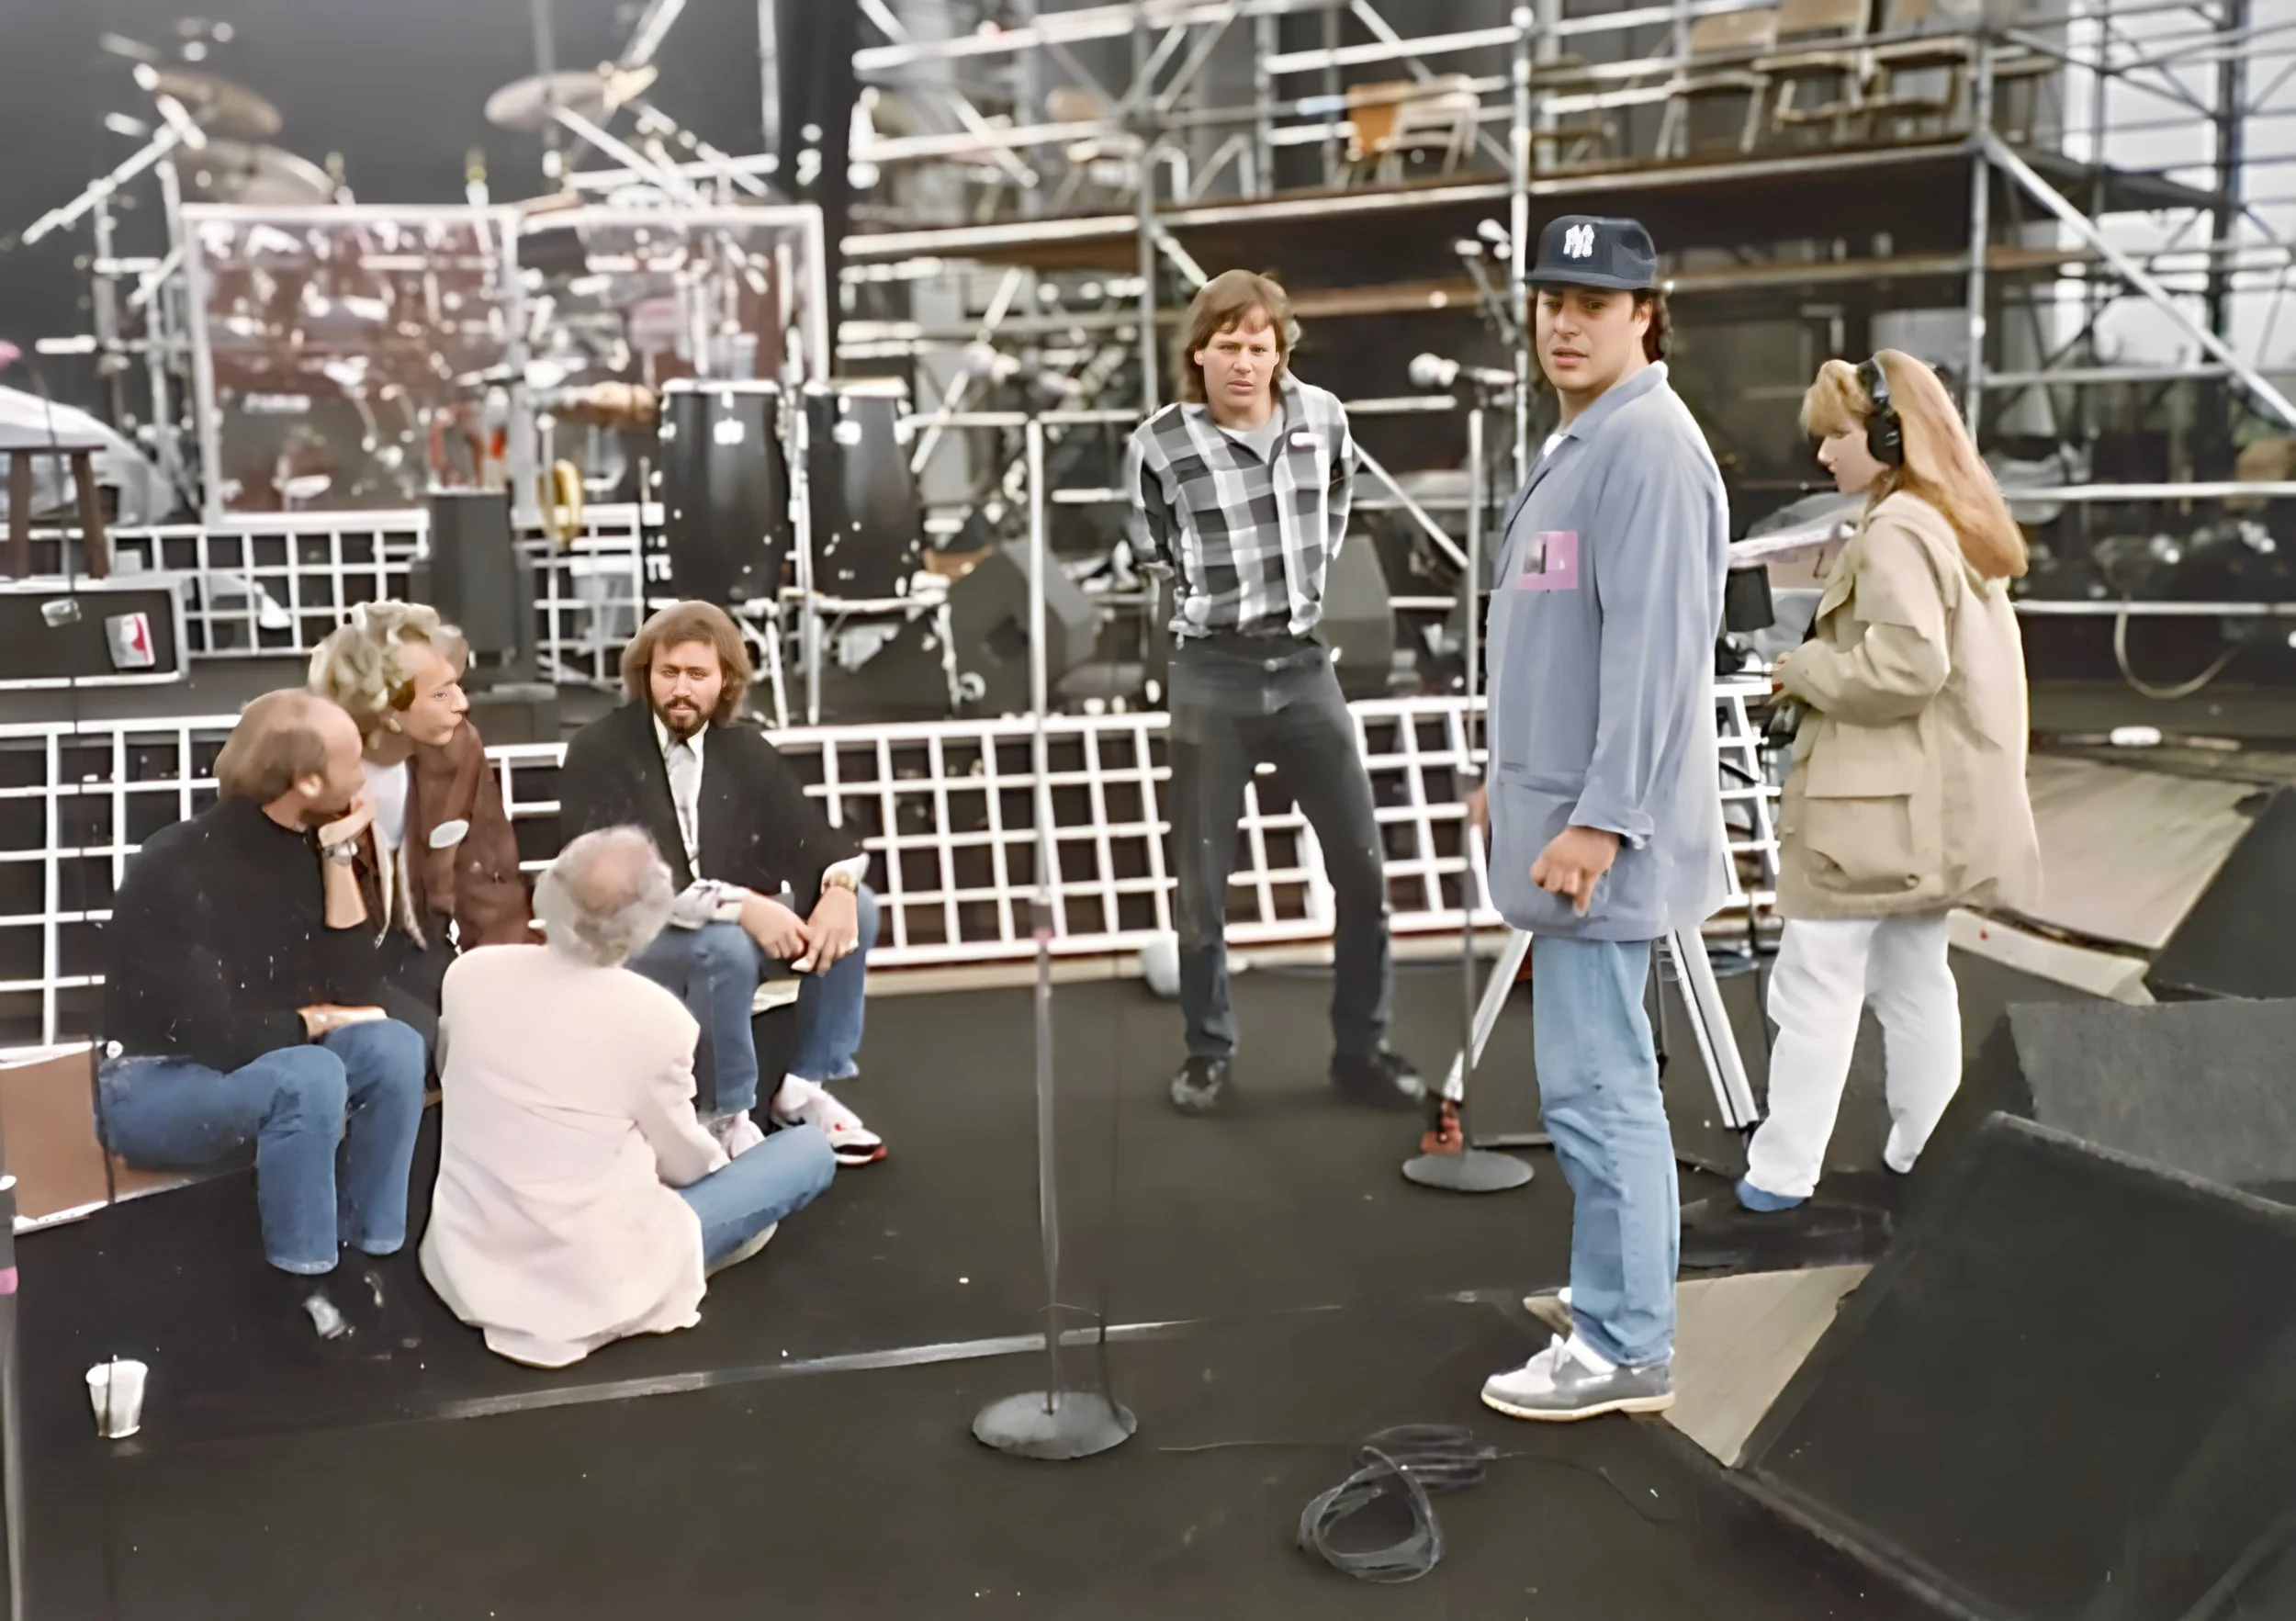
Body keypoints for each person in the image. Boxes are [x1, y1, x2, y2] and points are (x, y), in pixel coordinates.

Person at [1471, 217, 1729, 1423]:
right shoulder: (1597, 438)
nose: (1565, 322)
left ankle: (1627, 1343)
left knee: (1599, 1086)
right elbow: (1561, 640)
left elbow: (1656, 662)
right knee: (1593, 1079)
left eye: (1593, 301)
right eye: (1550, 300)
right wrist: (1511, 776)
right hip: (1564, 819)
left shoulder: (1648, 450)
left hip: (1595, 845)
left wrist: (1602, 822)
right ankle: (1618, 1303)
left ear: (1646, 312)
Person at [1737, 352, 2038, 1211]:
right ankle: (1923, 1158)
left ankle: (1780, 1176)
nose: (1824, 455)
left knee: (1813, 984)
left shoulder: (1899, 529)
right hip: (1924, 810)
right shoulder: (1950, 521)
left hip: (1872, 812)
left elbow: (1908, 665)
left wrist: (1806, 670)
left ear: (1890, 433)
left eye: (1836, 435)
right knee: (1914, 981)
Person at [1125, 267, 1423, 1116]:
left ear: (1280, 352)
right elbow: (1146, 544)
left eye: (1260, 346)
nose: (1246, 362)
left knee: (1363, 873)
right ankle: (1207, 1050)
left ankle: (1362, 1048)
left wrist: (1304, 585)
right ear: (1200, 353)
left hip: (1302, 665)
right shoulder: (1158, 444)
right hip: (1210, 670)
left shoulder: (1323, 418)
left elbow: (1338, 500)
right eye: (1229, 346)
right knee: (1201, 885)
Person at [421, 827, 838, 1368]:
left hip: (468, 1262)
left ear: (548, 888)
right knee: (807, 1153)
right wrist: (732, 1164)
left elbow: (451, 1069)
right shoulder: (656, 1017)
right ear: (649, 920)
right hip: (594, 1277)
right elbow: (685, 1162)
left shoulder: (470, 973)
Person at [98, 691, 429, 1356]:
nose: (363, 777)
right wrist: (318, 1019)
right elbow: (215, 1032)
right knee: (307, 1075)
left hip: (257, 1057)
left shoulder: (305, 845)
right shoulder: (178, 865)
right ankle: (301, 1282)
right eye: (350, 762)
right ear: (306, 780)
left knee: (395, 1047)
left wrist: (339, 858)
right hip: (154, 1081)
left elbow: (358, 989)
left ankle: (371, 1254)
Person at [557, 601, 884, 1165]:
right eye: (668, 673)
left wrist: (838, 889)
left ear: (725, 681)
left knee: (864, 906)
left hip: (719, 920)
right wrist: (746, 907)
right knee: (726, 947)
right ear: (646, 675)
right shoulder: (600, 750)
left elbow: (811, 836)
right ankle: (724, 1113)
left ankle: (802, 1087)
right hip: (629, 936)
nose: (680, 689)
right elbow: (634, 881)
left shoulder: (744, 751)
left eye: (697, 675)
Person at [308, 601, 532, 1049]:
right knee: (441, 1044)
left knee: (514, 1030)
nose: (462, 704)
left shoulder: (457, 748)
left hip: (421, 946)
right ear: (389, 710)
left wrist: (516, 984)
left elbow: (487, 878)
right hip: (326, 967)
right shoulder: (309, 763)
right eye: (442, 693)